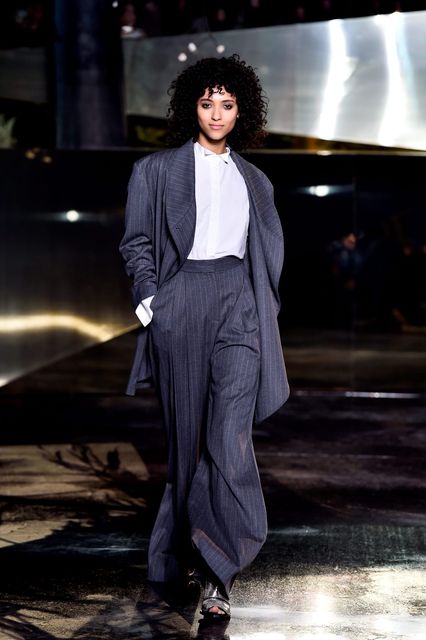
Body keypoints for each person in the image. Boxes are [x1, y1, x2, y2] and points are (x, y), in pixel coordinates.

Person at [119, 54, 289, 621]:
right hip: (181, 301)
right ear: (191, 105)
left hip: (238, 304)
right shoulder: (157, 170)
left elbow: (267, 256)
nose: (217, 113)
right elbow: (137, 242)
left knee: (230, 435)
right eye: (207, 102)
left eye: (228, 104)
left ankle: (220, 571)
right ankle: (177, 549)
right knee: (186, 440)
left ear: (243, 110)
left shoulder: (256, 181)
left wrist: (262, 311)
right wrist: (152, 305)